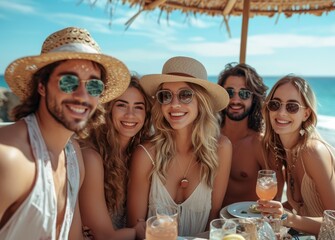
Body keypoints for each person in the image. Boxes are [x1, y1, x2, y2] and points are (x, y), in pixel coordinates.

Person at [0, 26, 130, 239]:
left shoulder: (73, 157)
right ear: (42, 85)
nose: (82, 95)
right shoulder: (10, 160)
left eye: (94, 86)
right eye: (69, 81)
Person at [127, 56, 232, 239]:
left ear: (201, 101)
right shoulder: (146, 154)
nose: (174, 104)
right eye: (166, 96)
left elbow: (214, 220)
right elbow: (135, 227)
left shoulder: (221, 149)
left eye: (185, 95)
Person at [258, 75, 335, 237]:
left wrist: (288, 218)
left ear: (306, 114)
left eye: (292, 107)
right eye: (275, 104)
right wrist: (268, 210)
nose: (281, 112)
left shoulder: (313, 151)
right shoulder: (285, 151)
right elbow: (303, 206)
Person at [78, 75, 152, 240]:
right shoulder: (91, 156)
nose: (130, 114)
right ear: (108, 109)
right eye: (122, 105)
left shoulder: (140, 153)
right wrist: (136, 231)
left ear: (146, 115)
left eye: (138, 107)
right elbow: (102, 236)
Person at [217, 63, 275, 206]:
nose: (236, 100)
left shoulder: (261, 144)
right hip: (210, 224)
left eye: (244, 93)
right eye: (229, 93)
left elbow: (275, 200)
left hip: (245, 224)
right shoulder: (208, 137)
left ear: (253, 99)